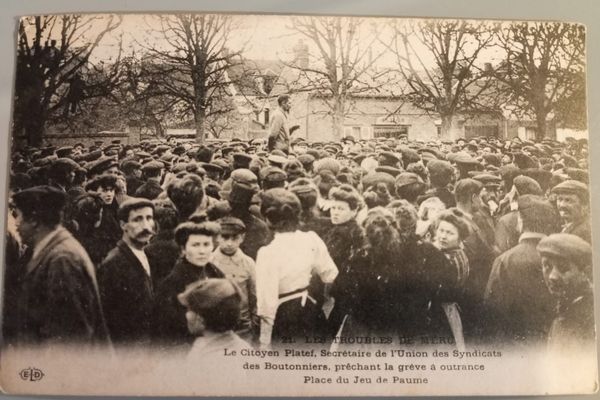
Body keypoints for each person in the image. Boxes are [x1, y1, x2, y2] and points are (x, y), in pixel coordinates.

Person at [10, 186, 109, 345]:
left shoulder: (62, 259)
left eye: (18, 216)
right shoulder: (55, 251)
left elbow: (69, 335)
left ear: (34, 220)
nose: (16, 223)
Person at [255, 188, 338, 347]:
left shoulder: (267, 253)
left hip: (285, 315)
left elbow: (267, 303)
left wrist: (264, 342)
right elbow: (330, 274)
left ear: (268, 219)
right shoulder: (311, 239)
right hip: (311, 309)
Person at [484, 196, 560, 346]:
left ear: (520, 220)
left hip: (514, 342)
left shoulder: (505, 260)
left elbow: (491, 307)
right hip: (551, 341)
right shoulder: (560, 257)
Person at [153, 222, 225, 349]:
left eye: (206, 244)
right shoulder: (171, 284)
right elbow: (166, 331)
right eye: (195, 245)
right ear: (183, 249)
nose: (202, 251)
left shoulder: (216, 274)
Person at [97, 198, 156, 345]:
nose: (146, 226)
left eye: (149, 218)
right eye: (137, 219)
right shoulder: (113, 263)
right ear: (123, 225)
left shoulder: (145, 254)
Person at [537, 234, 594, 350]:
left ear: (585, 272)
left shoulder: (589, 319)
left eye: (563, 268)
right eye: (547, 266)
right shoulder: (563, 309)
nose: (552, 276)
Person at [178, 278, 250, 360]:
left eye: (189, 309)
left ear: (200, 319)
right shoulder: (243, 347)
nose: (187, 315)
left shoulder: (206, 358)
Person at [211, 217, 257, 340]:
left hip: (243, 326)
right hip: (216, 326)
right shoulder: (209, 262)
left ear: (242, 237)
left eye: (235, 238)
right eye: (225, 237)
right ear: (217, 237)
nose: (229, 243)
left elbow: (254, 295)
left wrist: (254, 322)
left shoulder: (248, 263)